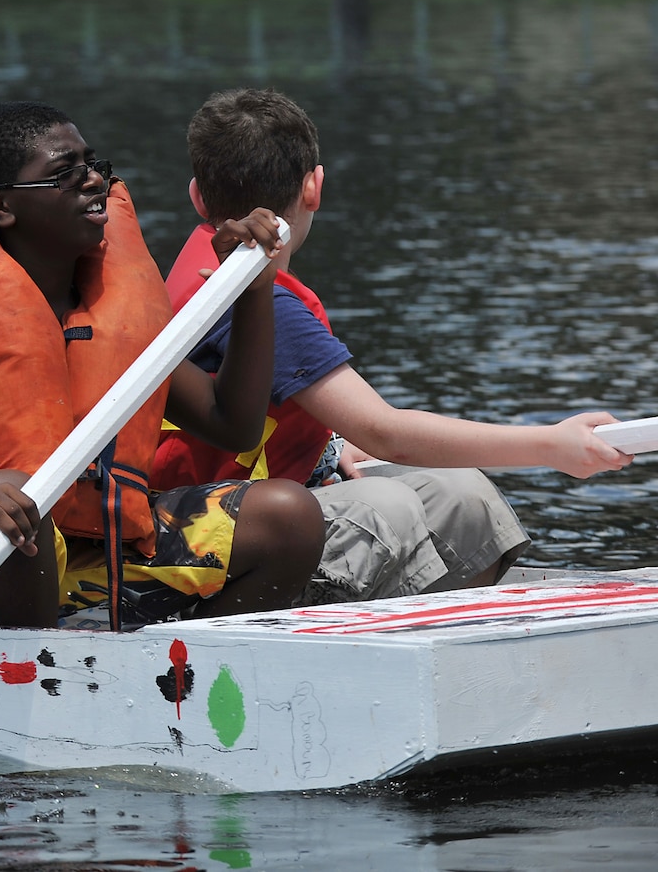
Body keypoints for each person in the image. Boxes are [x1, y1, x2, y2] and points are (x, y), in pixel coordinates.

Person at [151, 88, 632, 603]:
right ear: (314, 187)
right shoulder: (250, 297)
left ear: (197, 196)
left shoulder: (238, 274)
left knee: (462, 495)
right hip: (206, 524)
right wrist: (552, 445)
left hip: (262, 492)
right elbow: (386, 433)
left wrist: (329, 449)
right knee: (386, 505)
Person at [0, 101, 322, 631]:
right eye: (65, 173)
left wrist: (250, 288)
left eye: (93, 166)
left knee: (288, 516)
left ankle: (181, 677)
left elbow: (234, 424)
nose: (92, 182)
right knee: (18, 506)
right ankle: (38, 683)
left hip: (96, 547)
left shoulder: (119, 312)